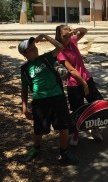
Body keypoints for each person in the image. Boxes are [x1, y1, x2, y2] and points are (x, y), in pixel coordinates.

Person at [18, 34, 78, 164]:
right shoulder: (24, 69)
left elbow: (60, 46)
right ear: (25, 53)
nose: (34, 48)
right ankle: (36, 148)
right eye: (30, 48)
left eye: (34, 46)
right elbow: (24, 89)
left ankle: (64, 151)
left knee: (63, 127)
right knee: (39, 129)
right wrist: (24, 107)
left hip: (57, 97)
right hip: (39, 101)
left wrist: (45, 36)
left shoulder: (46, 58)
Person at [55, 25, 103, 146]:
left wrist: (76, 30)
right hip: (74, 84)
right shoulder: (59, 51)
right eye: (64, 36)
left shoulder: (72, 41)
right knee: (78, 110)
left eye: (69, 35)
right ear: (58, 36)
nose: (67, 38)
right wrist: (84, 84)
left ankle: (95, 129)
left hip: (87, 78)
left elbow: (85, 31)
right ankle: (76, 133)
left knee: (97, 104)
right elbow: (71, 70)